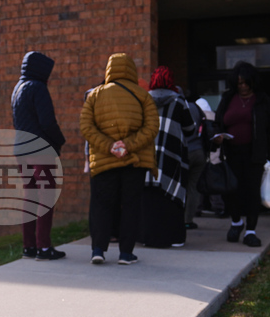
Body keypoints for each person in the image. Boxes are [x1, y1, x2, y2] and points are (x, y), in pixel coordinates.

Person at [80, 53, 158, 265]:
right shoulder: (143, 96)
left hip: (104, 160)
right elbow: (152, 127)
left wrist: (110, 146)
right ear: (131, 70)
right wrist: (128, 145)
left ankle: (98, 249)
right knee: (130, 205)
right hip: (134, 160)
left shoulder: (95, 95)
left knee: (101, 205)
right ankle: (125, 253)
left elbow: (86, 126)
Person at [213, 61, 270, 247]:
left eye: (245, 83)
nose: (242, 87)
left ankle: (250, 230)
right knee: (231, 189)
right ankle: (236, 222)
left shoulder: (263, 101)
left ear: (252, 82)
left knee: (252, 191)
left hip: (254, 153)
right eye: (239, 83)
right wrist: (217, 137)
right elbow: (218, 123)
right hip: (231, 152)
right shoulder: (227, 99)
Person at [11, 50, 66, 260]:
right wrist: (60, 140)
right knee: (46, 198)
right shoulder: (38, 88)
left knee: (30, 197)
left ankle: (29, 247)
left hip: (21, 149)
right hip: (40, 150)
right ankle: (44, 248)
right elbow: (47, 122)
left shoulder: (18, 88)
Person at [138, 66, 195, 248]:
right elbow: (190, 129)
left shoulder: (144, 100)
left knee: (148, 198)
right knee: (171, 197)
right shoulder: (178, 101)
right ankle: (174, 237)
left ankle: (147, 236)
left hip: (147, 155)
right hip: (172, 155)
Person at [183, 97, 212, 229]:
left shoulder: (177, 106)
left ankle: (178, 218)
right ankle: (188, 219)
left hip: (183, 151)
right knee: (193, 187)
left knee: (180, 186)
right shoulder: (196, 108)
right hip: (199, 150)